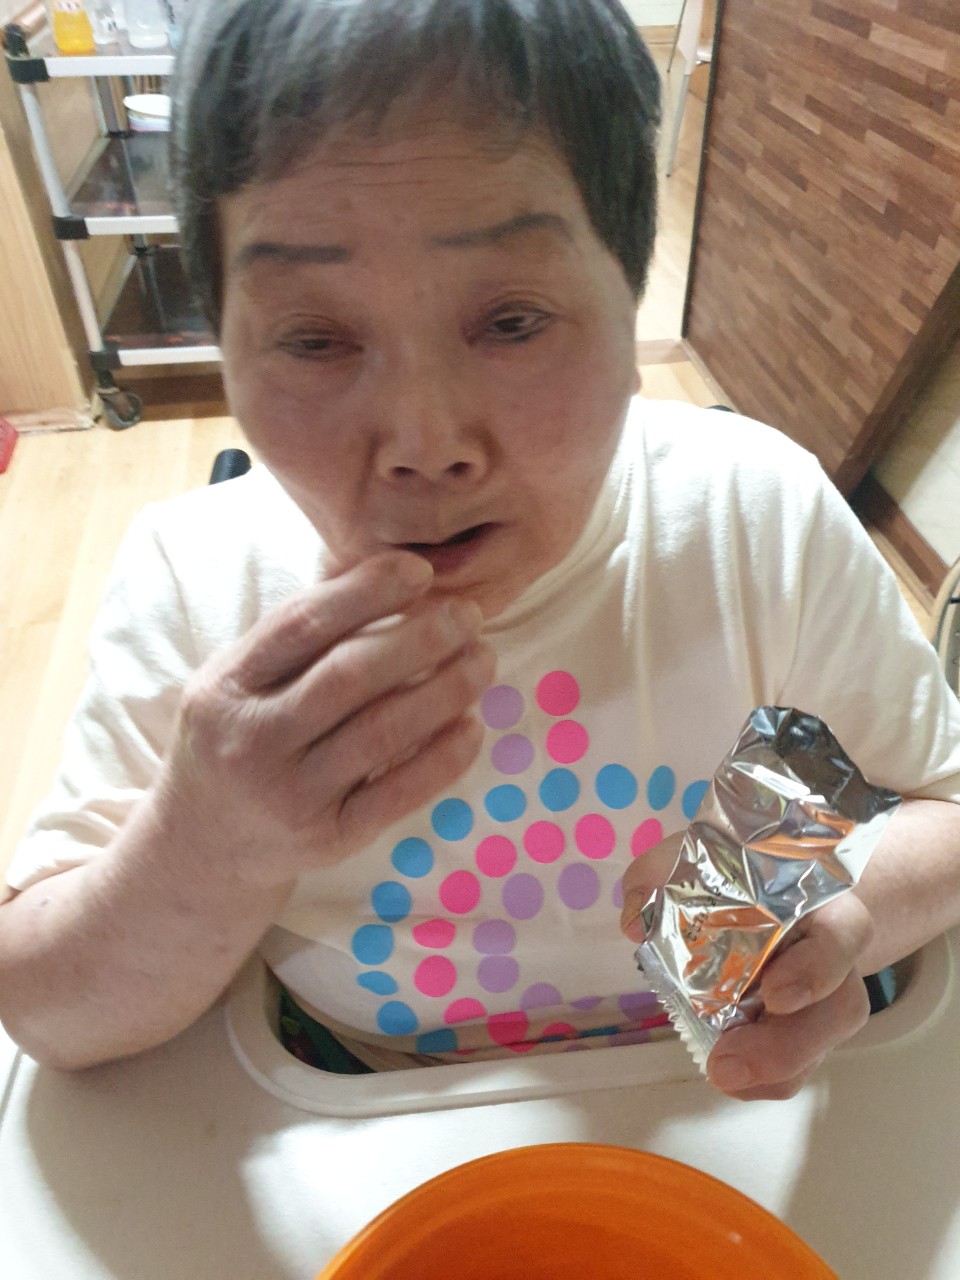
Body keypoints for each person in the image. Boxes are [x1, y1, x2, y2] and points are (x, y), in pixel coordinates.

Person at [2, 0, 960, 1100]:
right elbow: (46, 1009)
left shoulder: (756, 523)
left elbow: (944, 808)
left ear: (631, 305)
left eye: (511, 322)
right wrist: (208, 841)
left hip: (710, 1111)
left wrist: (837, 906)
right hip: (361, 1105)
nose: (424, 444)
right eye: (314, 338)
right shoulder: (199, 585)